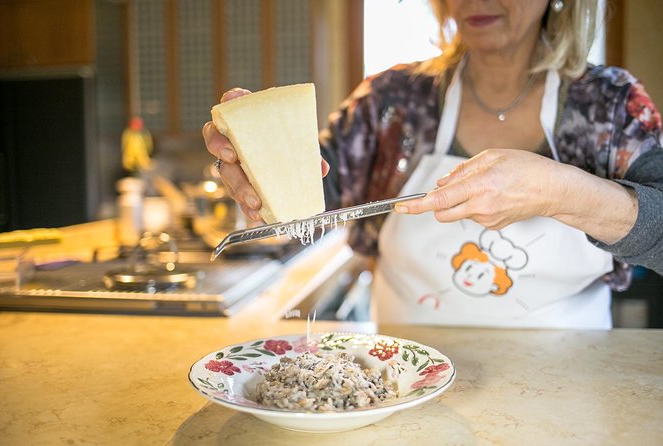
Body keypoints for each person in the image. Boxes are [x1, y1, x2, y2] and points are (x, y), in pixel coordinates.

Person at [203, 0, 663, 329]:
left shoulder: (612, 106)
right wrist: (257, 159)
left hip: (568, 391)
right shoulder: (393, 100)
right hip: (402, 384)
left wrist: (560, 191)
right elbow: (308, 199)